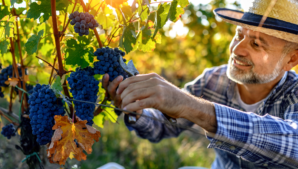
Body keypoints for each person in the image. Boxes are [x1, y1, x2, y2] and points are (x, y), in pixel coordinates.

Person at [102, 0, 298, 168]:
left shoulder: (294, 93)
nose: (237, 49)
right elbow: (162, 126)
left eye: (256, 44)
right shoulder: (214, 80)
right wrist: (137, 110)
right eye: (239, 35)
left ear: (291, 59)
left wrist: (191, 106)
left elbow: (294, 145)